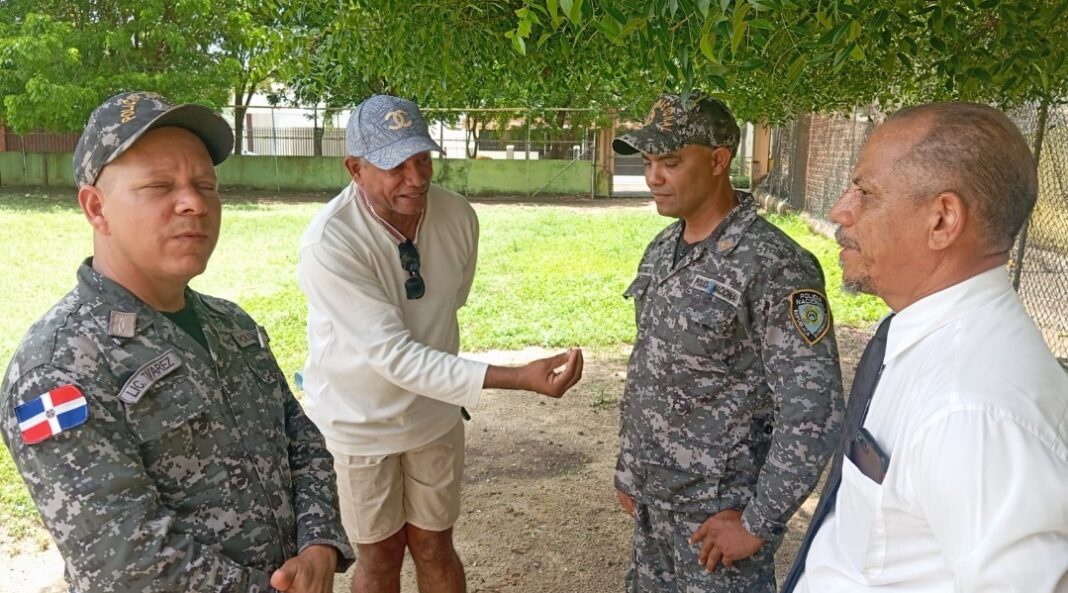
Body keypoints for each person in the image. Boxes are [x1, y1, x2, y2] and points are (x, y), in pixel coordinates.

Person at [0, 91, 355, 592]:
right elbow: (124, 561)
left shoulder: (230, 325)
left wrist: (319, 545)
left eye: (205, 185)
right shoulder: (58, 369)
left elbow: (301, 440)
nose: (193, 203)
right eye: (159, 186)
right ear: (96, 208)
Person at [296, 94, 584, 593]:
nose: (416, 177)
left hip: (434, 416)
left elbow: (449, 303)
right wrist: (516, 377)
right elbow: (394, 355)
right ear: (355, 168)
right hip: (358, 422)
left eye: (423, 159)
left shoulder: (457, 216)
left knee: (434, 545)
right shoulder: (331, 243)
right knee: (380, 558)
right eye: (395, 165)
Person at [782, 102, 1068, 592]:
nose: (839, 210)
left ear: (942, 220)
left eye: (865, 192)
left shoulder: (971, 410)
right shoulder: (930, 340)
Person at [613, 92, 844, 593]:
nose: (653, 177)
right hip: (656, 506)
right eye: (649, 162)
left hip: (720, 517)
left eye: (671, 162)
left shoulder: (775, 265)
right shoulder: (663, 248)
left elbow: (814, 409)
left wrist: (759, 522)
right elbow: (651, 367)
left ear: (719, 161)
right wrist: (632, 468)